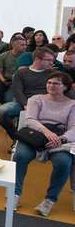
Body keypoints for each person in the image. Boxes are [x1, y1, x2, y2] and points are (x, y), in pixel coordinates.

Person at [13, 71, 75, 217]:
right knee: (20, 156)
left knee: (64, 162)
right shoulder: (36, 99)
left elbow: (73, 127)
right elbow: (30, 120)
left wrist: (61, 139)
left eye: (56, 83)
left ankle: (49, 200)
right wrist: (47, 132)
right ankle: (14, 194)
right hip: (35, 136)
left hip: (59, 139)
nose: (51, 85)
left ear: (65, 87)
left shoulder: (72, 104)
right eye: (49, 82)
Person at [0, 47, 58, 140]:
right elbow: (17, 91)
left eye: (52, 60)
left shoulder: (54, 74)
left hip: (45, 104)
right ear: (37, 59)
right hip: (24, 103)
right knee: (1, 112)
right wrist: (26, 104)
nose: (52, 63)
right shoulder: (21, 72)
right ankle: (16, 136)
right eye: (48, 60)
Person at [0, 33, 27, 103]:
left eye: (25, 45)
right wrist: (3, 80)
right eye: (22, 45)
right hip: (6, 80)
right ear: (13, 45)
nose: (25, 47)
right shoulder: (4, 55)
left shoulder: (27, 57)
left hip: (20, 82)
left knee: (8, 98)